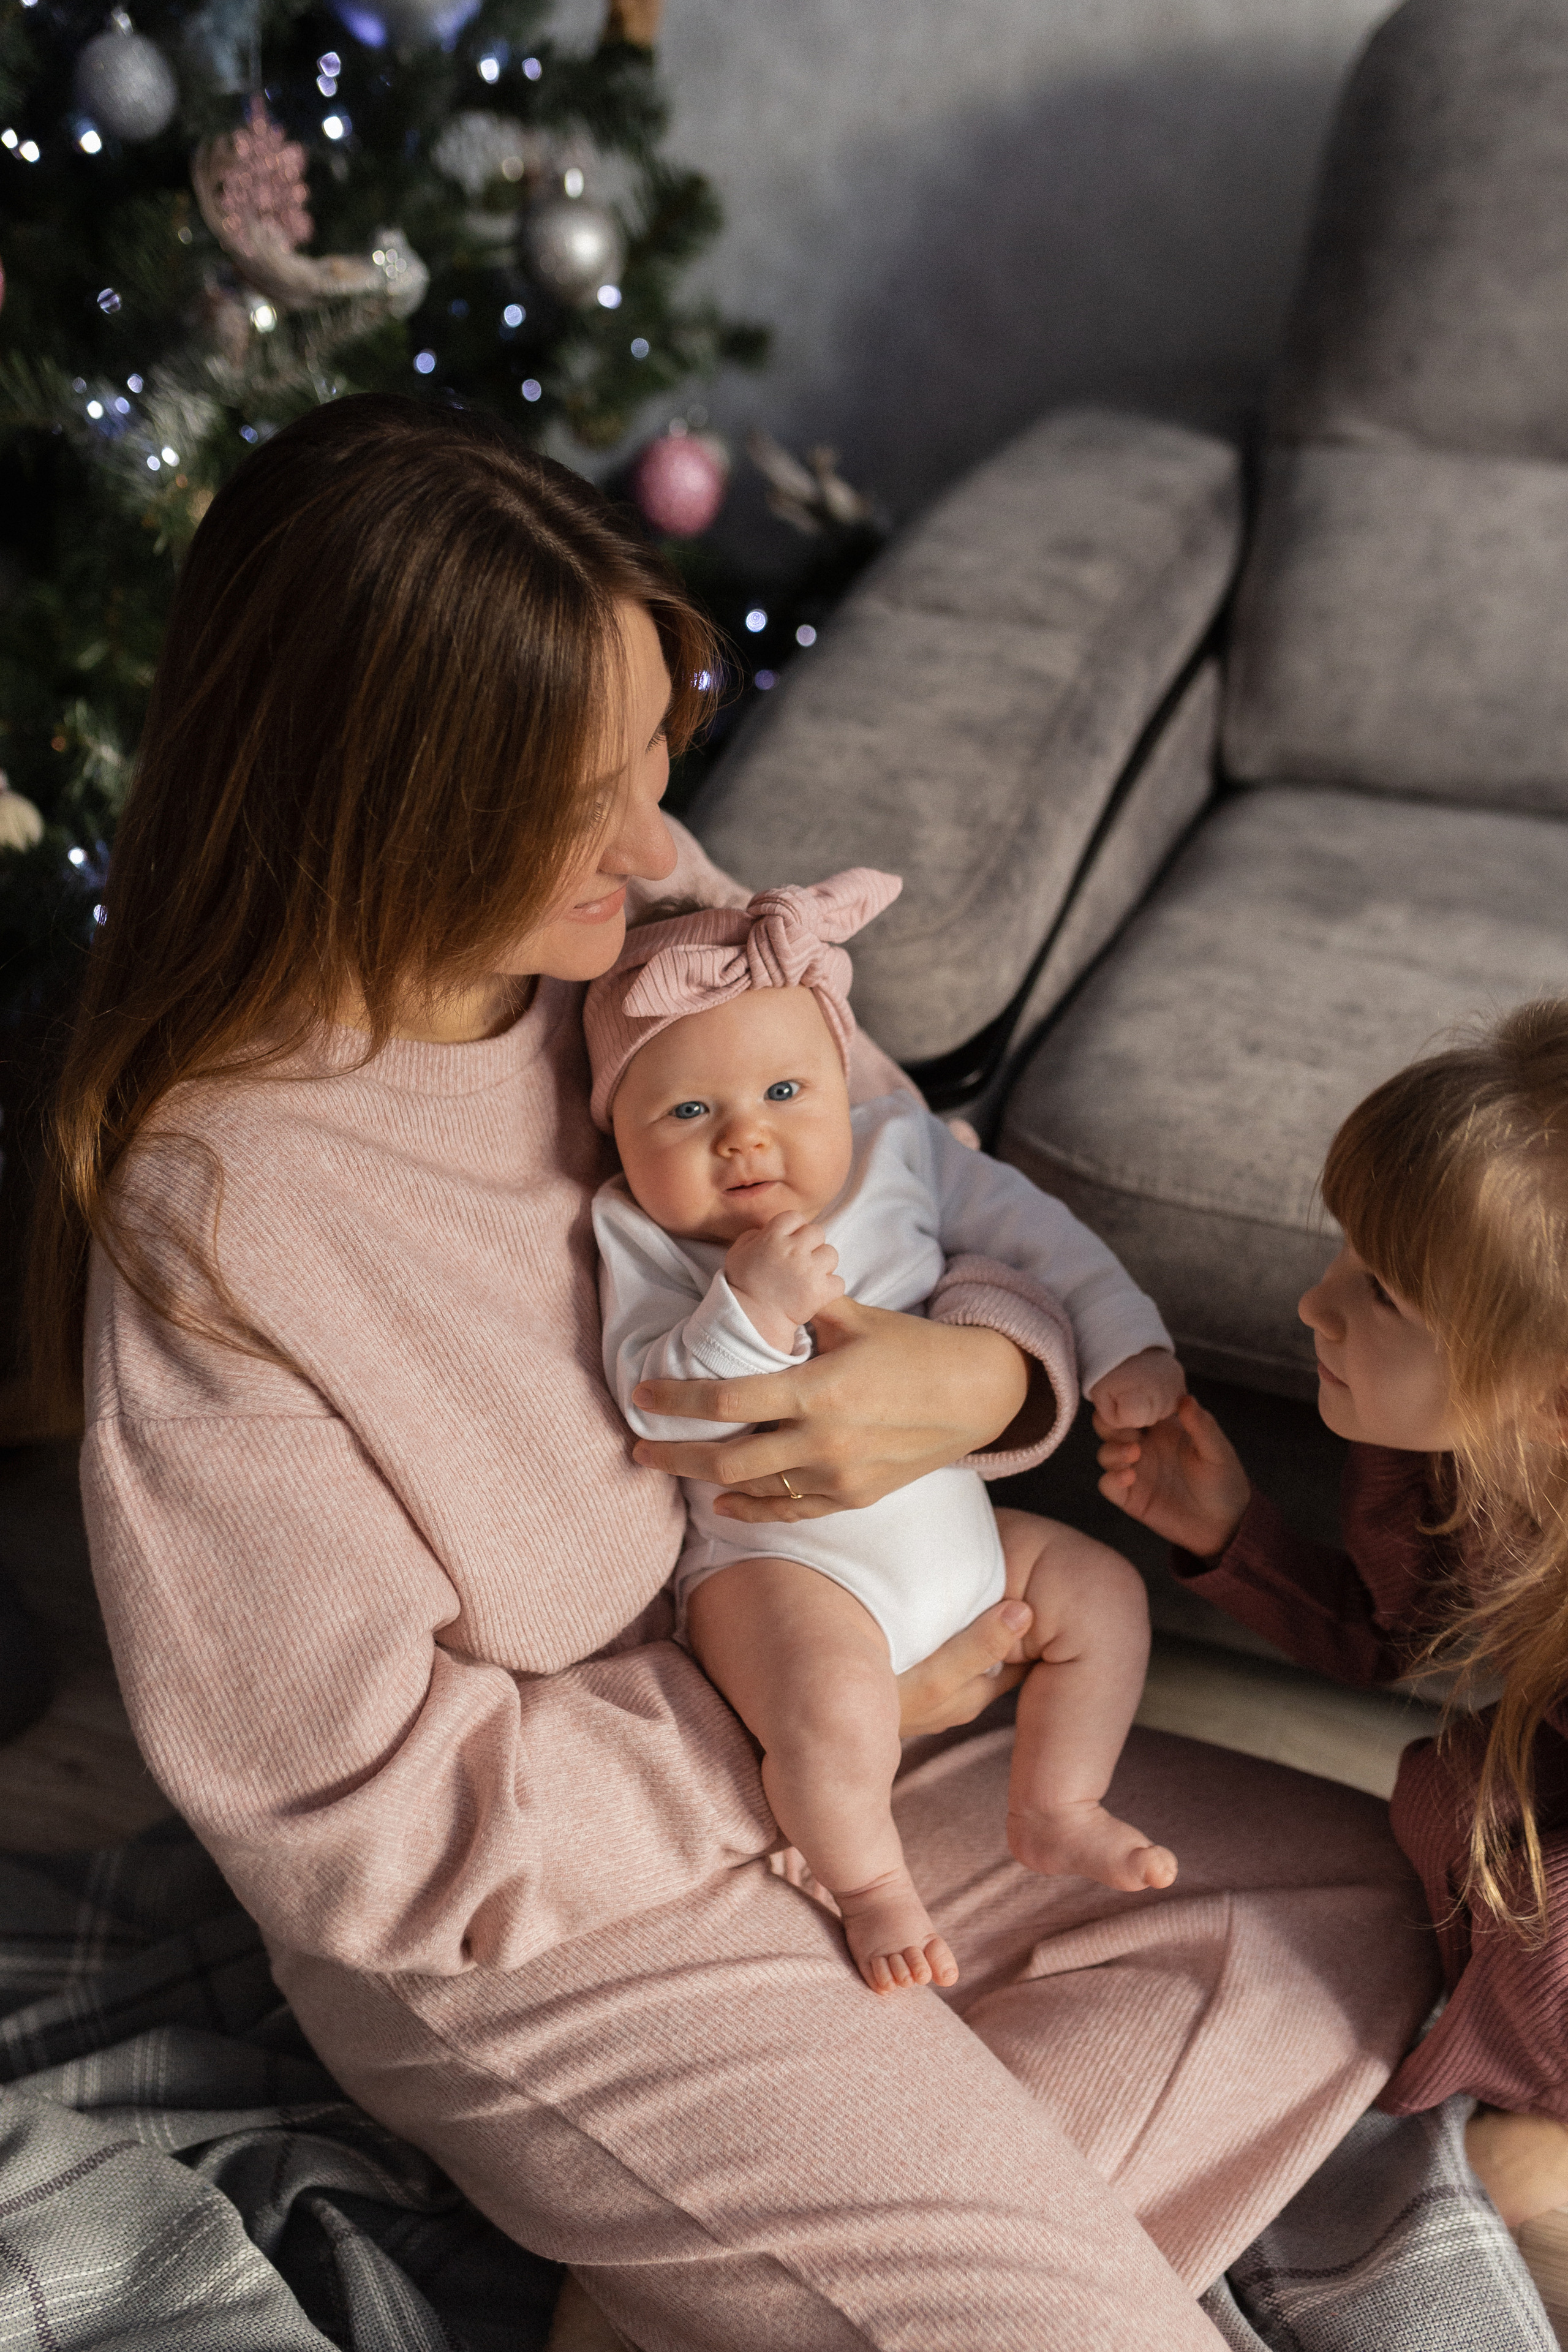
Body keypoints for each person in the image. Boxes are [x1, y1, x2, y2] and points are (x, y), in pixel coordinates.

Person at [31, 393, 1439, 2352]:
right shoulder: (225, 1207)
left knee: (1381, 1898)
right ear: (376, 799)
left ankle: (695, 2304)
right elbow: (373, 1836)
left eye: (644, 757)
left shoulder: (637, 928)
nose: (647, 838)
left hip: (877, 1746)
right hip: (557, 1927)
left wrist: (983, 1386)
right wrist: (802, 1738)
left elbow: (927, 1199)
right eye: (567, 795)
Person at [587, 865, 1184, 1994]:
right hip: (778, 1564)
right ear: (617, 1134)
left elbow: (1043, 1239)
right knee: (830, 1713)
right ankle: (871, 1887)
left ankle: (1057, 1803)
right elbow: (651, 1393)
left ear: (839, 1083)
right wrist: (746, 1308)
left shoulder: (901, 1153)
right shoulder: (640, 1237)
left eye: (783, 1093)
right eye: (686, 1113)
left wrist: (1125, 1346)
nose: (745, 1142)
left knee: (1104, 1593)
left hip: (958, 1532)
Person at [1095, 1004, 1568, 2264]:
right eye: (1339, 1254)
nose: (1311, 1306)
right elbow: (1392, 1630)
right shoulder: (1452, 1454)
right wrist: (1231, 1533)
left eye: (1376, 1293)